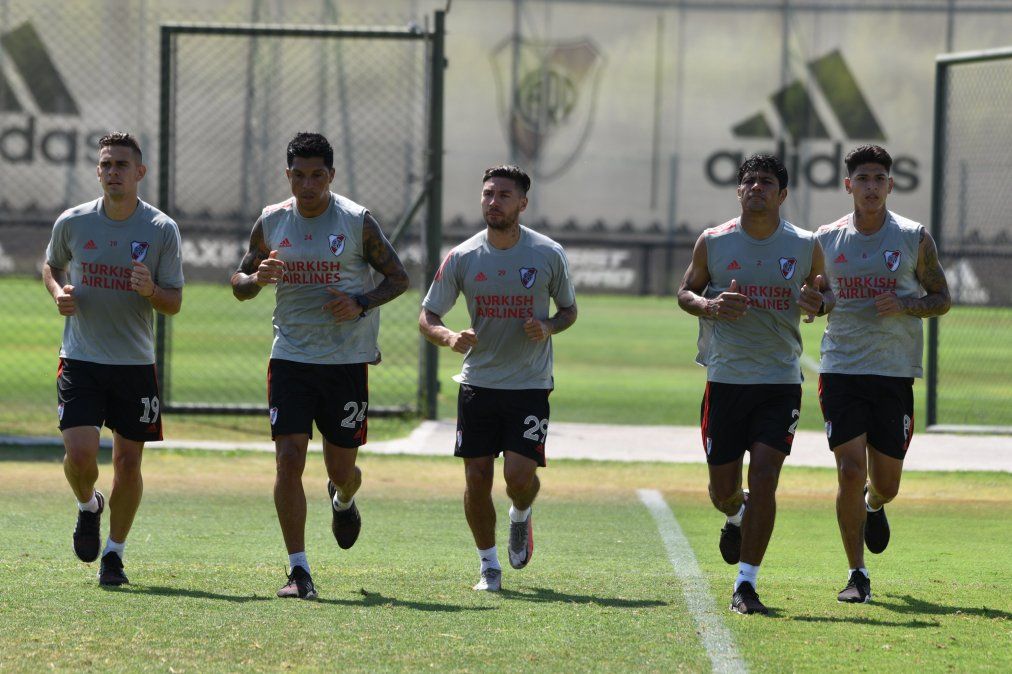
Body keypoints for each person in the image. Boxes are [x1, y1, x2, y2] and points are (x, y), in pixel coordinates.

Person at [231, 132, 408, 601]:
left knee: (341, 466)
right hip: (290, 357)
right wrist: (255, 278)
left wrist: (360, 302)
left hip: (345, 361)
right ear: (286, 175)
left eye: (316, 175)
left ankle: (344, 497)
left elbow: (399, 277)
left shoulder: (355, 221)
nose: (306, 185)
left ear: (331, 175)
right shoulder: (271, 222)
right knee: (289, 458)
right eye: (298, 175)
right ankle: (298, 570)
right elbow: (239, 282)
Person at [677, 153, 832, 615]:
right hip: (725, 380)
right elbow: (685, 292)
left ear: (783, 195)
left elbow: (827, 295)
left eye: (767, 182)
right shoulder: (714, 241)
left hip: (780, 382)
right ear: (739, 191)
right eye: (750, 182)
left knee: (764, 477)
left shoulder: (806, 245)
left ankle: (746, 584)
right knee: (723, 490)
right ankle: (734, 515)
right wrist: (707, 306)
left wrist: (818, 302)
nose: (757, 188)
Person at [419, 165, 577, 592]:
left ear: (522, 204)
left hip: (529, 385)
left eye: (504, 195)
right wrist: (449, 335)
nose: (494, 201)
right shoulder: (464, 256)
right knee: (476, 478)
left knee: (519, 480)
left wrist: (547, 326)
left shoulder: (547, 253)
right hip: (478, 383)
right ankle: (489, 566)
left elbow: (568, 311)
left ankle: (521, 515)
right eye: (488, 193)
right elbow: (427, 315)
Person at [42, 132, 185, 587]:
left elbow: (174, 302)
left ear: (139, 172)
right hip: (80, 358)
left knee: (128, 464)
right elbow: (51, 265)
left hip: (134, 364)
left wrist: (151, 291)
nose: (113, 172)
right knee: (81, 458)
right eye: (106, 165)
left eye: (122, 165)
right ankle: (88, 505)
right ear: (98, 171)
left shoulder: (161, 229)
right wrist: (58, 291)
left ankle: (115, 555)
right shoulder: (74, 221)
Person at [816, 145, 950, 604]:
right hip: (841, 369)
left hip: (893, 374)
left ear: (891, 185)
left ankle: (875, 507)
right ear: (847, 184)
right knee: (851, 472)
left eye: (879, 178)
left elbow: (941, 298)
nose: (871, 186)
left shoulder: (914, 237)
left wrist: (906, 304)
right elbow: (820, 295)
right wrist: (815, 304)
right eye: (862, 178)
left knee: (885, 484)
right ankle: (857, 573)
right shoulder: (827, 238)